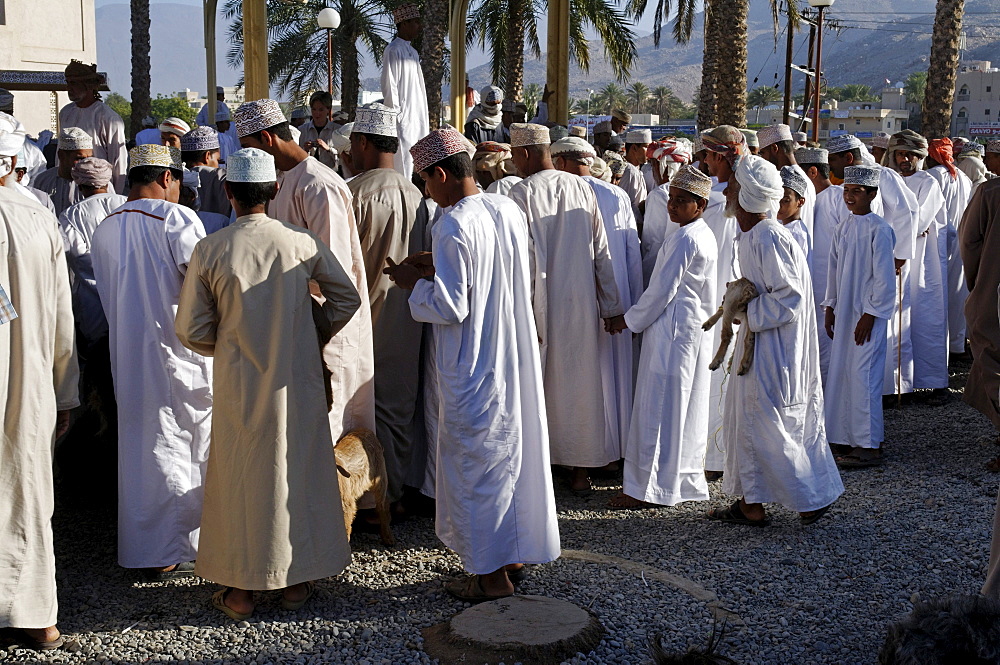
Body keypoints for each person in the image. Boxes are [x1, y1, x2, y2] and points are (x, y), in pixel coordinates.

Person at [174, 148, 359, 619]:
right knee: (296, 474)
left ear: (229, 193)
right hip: (297, 382)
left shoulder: (211, 249)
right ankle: (296, 583)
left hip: (240, 383)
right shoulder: (299, 242)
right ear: (275, 191)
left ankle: (241, 592)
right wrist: (308, 332)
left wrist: (233, 346)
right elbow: (345, 297)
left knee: (243, 481)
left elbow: (191, 329)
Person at [386, 127, 560, 601]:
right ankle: (512, 551)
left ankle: (490, 576)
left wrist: (410, 283)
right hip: (511, 353)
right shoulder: (506, 208)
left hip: (475, 362)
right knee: (509, 457)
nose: (426, 190)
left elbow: (451, 306)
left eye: (425, 181)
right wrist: (435, 268)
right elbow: (503, 274)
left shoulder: (452, 222)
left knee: (477, 464)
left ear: (441, 173)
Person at [91, 144, 212, 580]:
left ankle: (147, 547)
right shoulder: (174, 219)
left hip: (127, 352)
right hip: (177, 352)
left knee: (144, 448)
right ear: (166, 178)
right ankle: (174, 549)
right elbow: (206, 285)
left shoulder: (105, 227)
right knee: (180, 446)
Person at [707, 155, 843, 527]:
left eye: (734, 186)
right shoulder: (752, 234)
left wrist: (746, 308)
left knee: (769, 424)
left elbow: (790, 298)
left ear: (749, 194)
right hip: (759, 342)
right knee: (748, 419)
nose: (728, 191)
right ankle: (751, 504)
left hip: (776, 348)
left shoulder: (769, 235)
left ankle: (808, 499)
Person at [234, 99, 376, 442]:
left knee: (332, 428)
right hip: (296, 325)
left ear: (268, 139)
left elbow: (335, 271)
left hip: (328, 326)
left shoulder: (317, 185)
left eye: (249, 147)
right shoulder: (282, 182)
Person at [506, 123, 624, 494]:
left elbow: (522, 260)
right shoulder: (581, 188)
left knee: (538, 386)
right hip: (581, 302)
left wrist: (521, 310)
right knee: (580, 385)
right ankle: (578, 472)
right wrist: (611, 306)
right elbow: (601, 252)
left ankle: (540, 473)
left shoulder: (520, 194)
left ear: (525, 153)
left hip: (539, 305)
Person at [0, 120, 79, 652]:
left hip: (23, 374)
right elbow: (60, 317)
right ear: (13, 164)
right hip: (28, 383)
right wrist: (65, 388)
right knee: (26, 486)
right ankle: (34, 616)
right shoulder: (36, 216)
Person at [607, 165, 717, 509]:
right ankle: (674, 483)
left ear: (699, 206)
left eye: (681, 201)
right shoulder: (696, 234)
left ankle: (647, 489)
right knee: (680, 410)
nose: (672, 206)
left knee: (660, 409)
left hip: (674, 334)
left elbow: (661, 291)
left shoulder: (687, 238)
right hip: (685, 333)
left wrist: (627, 320)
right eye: (671, 199)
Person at [346, 103, 425, 507]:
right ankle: (393, 495)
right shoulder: (418, 195)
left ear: (361, 142)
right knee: (399, 407)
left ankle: (371, 500)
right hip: (412, 318)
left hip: (363, 321)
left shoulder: (354, 194)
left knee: (363, 410)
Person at [551, 136, 643, 466]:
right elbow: (633, 257)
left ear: (560, 163)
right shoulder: (617, 195)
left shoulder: (558, 195)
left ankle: (580, 460)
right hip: (618, 306)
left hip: (575, 306)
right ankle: (616, 453)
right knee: (615, 380)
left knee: (582, 382)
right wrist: (630, 310)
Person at [827, 134, 919, 399]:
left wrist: (899, 256)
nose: (830, 165)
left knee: (878, 327)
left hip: (881, 261)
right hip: (853, 264)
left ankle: (884, 391)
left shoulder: (882, 175)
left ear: (847, 157)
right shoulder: (844, 186)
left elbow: (906, 211)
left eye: (833, 160)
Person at [823, 165, 896, 469]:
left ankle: (869, 445)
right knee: (842, 374)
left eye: (856, 192)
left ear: (872, 194)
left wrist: (871, 314)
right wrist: (830, 306)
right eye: (846, 191)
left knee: (864, 377)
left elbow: (884, 278)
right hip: (845, 312)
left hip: (867, 316)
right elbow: (833, 271)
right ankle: (844, 436)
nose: (849, 197)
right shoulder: (843, 227)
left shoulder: (880, 229)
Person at [882, 130, 949, 401]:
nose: (905, 159)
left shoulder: (927, 182)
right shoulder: (888, 180)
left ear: (920, 157)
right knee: (896, 320)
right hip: (892, 257)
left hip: (922, 263)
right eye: (900, 153)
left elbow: (917, 221)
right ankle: (897, 384)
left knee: (926, 317)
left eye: (911, 154)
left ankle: (934, 382)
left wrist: (897, 233)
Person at [698, 125, 746, 480]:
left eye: (711, 156)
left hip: (726, 295)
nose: (707, 162)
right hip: (720, 294)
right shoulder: (721, 195)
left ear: (719, 156)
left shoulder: (728, 197)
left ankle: (718, 458)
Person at [58, 157, 127, 346]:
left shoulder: (71, 216)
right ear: (107, 181)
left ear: (79, 184)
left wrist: (102, 281)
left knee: (98, 354)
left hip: (92, 302)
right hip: (131, 293)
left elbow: (78, 258)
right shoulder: (129, 204)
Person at [797, 147, 850, 383]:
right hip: (809, 284)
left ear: (812, 172)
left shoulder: (838, 197)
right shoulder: (803, 202)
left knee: (827, 341)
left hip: (831, 285)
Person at [960, 174, 1000, 471]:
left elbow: (969, 241)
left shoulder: (990, 192)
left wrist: (979, 284)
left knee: (994, 363)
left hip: (995, 295)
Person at [925, 138, 973, 358]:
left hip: (938, 242)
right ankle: (956, 344)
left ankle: (937, 349)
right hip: (961, 241)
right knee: (957, 293)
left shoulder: (934, 177)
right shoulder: (964, 178)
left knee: (936, 295)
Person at [60, 60, 128, 192]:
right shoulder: (65, 113)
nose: (69, 88)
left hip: (97, 188)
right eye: (68, 83)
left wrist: (114, 195)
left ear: (88, 86)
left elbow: (118, 159)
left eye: (73, 83)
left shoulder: (108, 117)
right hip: (67, 187)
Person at [381, 3, 429, 178]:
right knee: (404, 165)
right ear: (404, 23)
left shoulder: (413, 53)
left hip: (417, 116)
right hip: (403, 120)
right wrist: (396, 116)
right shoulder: (393, 50)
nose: (419, 26)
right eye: (415, 22)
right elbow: (389, 85)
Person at [640, 139, 692, 285]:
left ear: (659, 165)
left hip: (663, 274)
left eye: (652, 164)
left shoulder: (659, 194)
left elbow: (652, 244)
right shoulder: (696, 190)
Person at [758, 124, 816, 243]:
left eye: (763, 153)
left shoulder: (790, 181)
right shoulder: (804, 178)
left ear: (774, 148)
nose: (762, 159)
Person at [31, 127, 91, 215]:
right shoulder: (43, 180)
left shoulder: (96, 183)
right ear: (61, 155)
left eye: (89, 158)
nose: (85, 163)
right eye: (79, 158)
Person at [181, 126, 231, 218]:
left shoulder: (172, 179)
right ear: (207, 156)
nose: (218, 165)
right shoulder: (223, 177)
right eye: (218, 160)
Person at [777, 165, 811, 263]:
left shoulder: (796, 233)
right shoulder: (783, 226)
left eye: (785, 200)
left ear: (800, 202)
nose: (779, 205)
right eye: (776, 199)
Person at [298, 91, 338, 170]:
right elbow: (296, 157)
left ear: (328, 110)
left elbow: (343, 159)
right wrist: (305, 150)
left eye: (321, 110)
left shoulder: (337, 130)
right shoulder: (301, 130)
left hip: (330, 175)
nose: (317, 113)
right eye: (314, 109)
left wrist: (328, 149)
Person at [620, 129, 650, 219]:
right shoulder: (630, 171)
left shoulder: (636, 169)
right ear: (634, 148)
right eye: (646, 147)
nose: (649, 152)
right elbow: (627, 204)